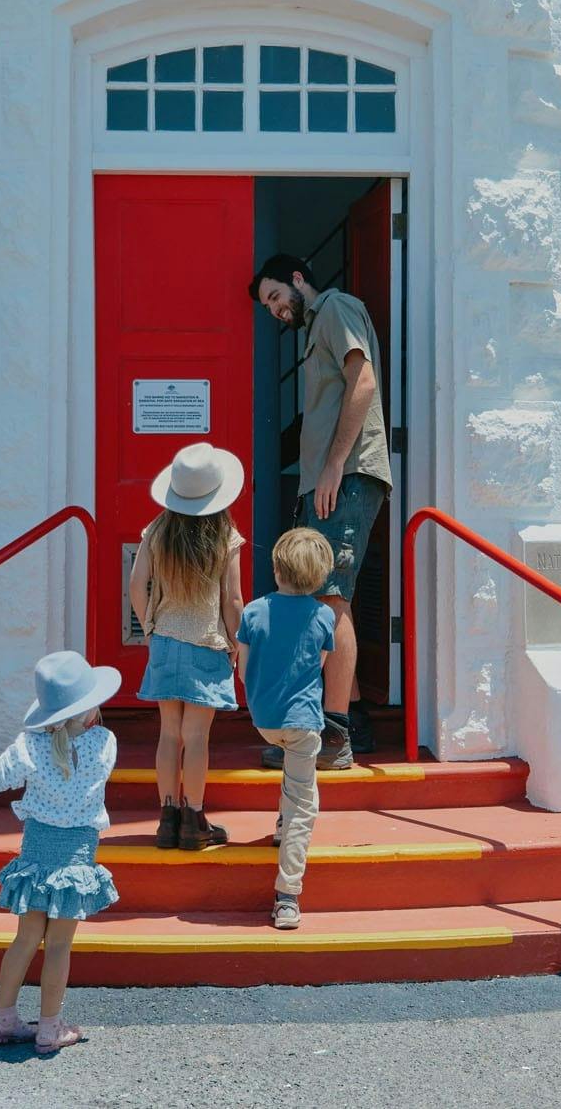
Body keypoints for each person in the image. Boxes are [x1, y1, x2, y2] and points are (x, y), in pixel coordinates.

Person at [249, 253, 393, 769]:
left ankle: (332, 738)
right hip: (328, 480)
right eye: (268, 306)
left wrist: (333, 467)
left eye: (274, 297)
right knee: (326, 596)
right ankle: (352, 720)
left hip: (347, 475)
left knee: (331, 597)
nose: (274, 310)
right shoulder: (317, 328)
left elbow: (365, 382)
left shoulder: (334, 308)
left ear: (297, 279)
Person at [0, 649, 121, 1055]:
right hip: (75, 857)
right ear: (90, 710)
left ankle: (2, 1019)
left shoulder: (29, 747)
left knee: (24, 939)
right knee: (58, 945)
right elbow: (77, 750)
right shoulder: (105, 743)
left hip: (36, 854)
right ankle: (50, 1027)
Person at [127, 442, 246, 851]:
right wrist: (237, 644)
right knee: (196, 737)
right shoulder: (225, 535)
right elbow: (232, 600)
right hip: (206, 645)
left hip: (165, 642)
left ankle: (166, 818)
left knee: (168, 734)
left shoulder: (157, 529)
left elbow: (135, 584)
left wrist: (150, 625)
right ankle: (194, 819)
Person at [234, 528, 336, 930]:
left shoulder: (254, 611)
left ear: (277, 568)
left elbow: (243, 670)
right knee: (303, 805)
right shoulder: (324, 615)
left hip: (264, 719)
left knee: (292, 786)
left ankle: (280, 825)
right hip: (303, 722)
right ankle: (287, 895)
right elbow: (320, 664)